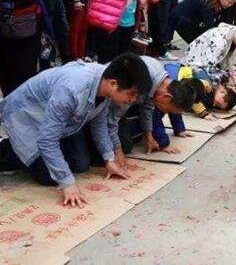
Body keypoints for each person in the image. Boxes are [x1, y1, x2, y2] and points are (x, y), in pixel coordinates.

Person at [0, 53, 152, 207]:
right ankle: (8, 150)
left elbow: (99, 123)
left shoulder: (105, 84)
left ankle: (42, 155)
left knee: (80, 164)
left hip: (60, 123)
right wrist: (67, 183)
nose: (132, 100)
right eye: (132, 94)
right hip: (26, 118)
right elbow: (47, 140)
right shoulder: (72, 90)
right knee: (49, 175)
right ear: (113, 84)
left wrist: (109, 159)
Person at [180, 22, 236, 89]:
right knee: (210, 87)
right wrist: (226, 79)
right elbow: (208, 67)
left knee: (222, 81)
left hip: (206, 64)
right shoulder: (219, 42)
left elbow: (234, 62)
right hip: (193, 64)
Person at [170, 0, 236, 44]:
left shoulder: (220, 2)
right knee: (198, 43)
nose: (230, 5)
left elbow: (223, 23)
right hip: (181, 19)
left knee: (204, 41)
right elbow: (209, 28)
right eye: (229, 2)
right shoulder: (208, 4)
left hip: (194, 20)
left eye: (233, 3)